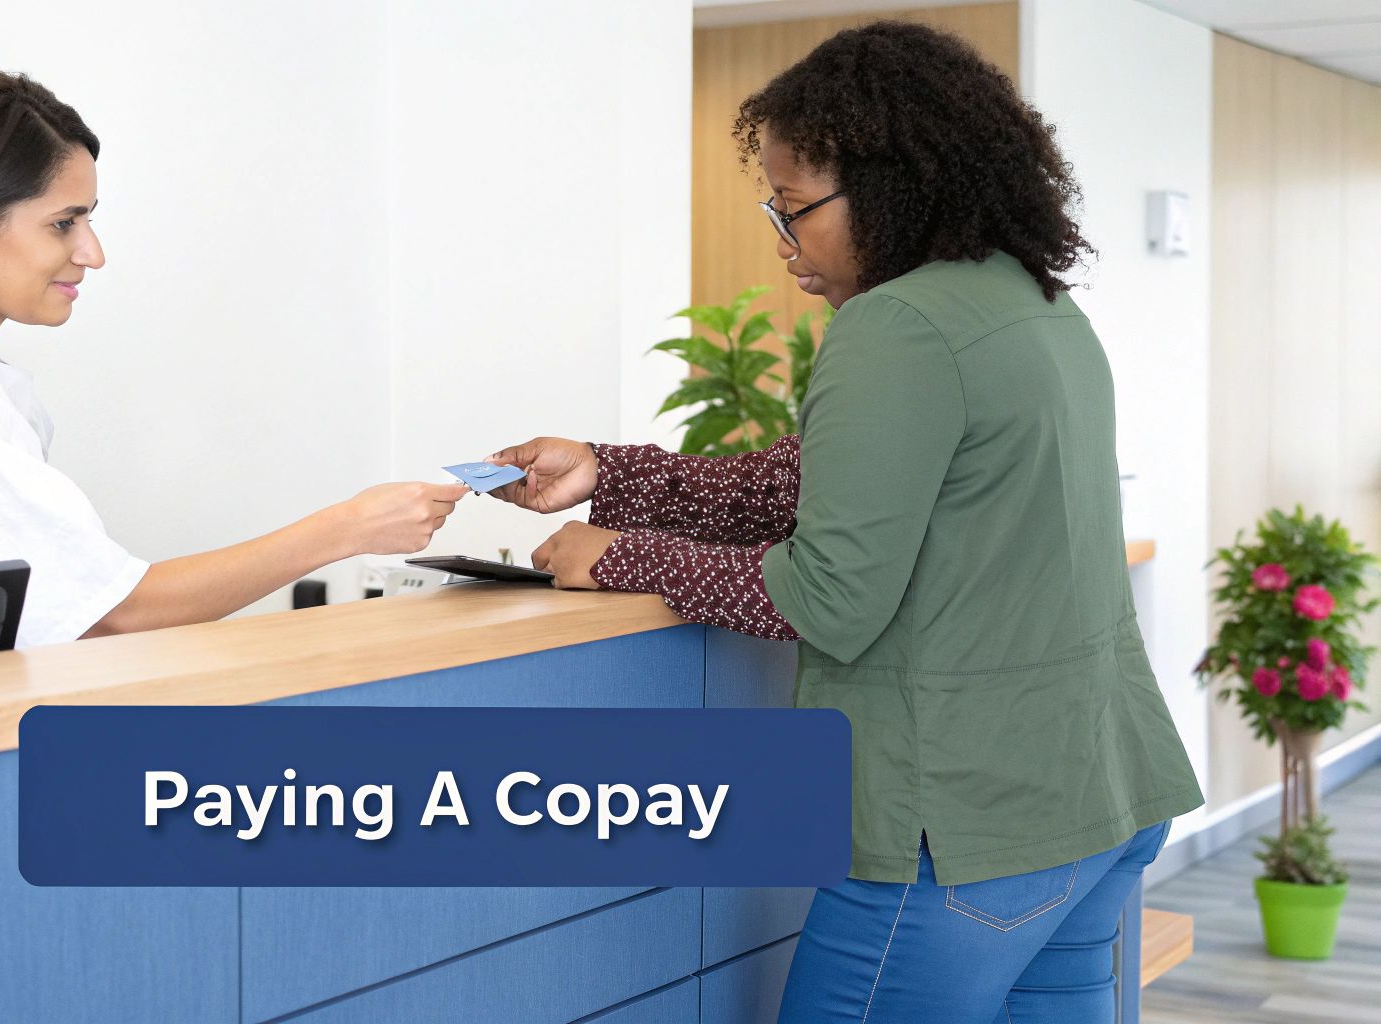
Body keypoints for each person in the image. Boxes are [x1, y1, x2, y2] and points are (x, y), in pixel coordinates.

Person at [489, 22, 1202, 1023]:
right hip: (1098, 799)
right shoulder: (1032, 301)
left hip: (961, 831)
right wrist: (610, 472)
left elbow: (827, 596)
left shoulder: (895, 324)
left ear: (889, 186)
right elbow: (805, 482)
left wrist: (622, 557)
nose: (782, 242)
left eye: (794, 208)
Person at [0, 72, 465, 647]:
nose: (92, 252)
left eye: (89, 219)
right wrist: (348, 528)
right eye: (63, 223)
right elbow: (110, 615)